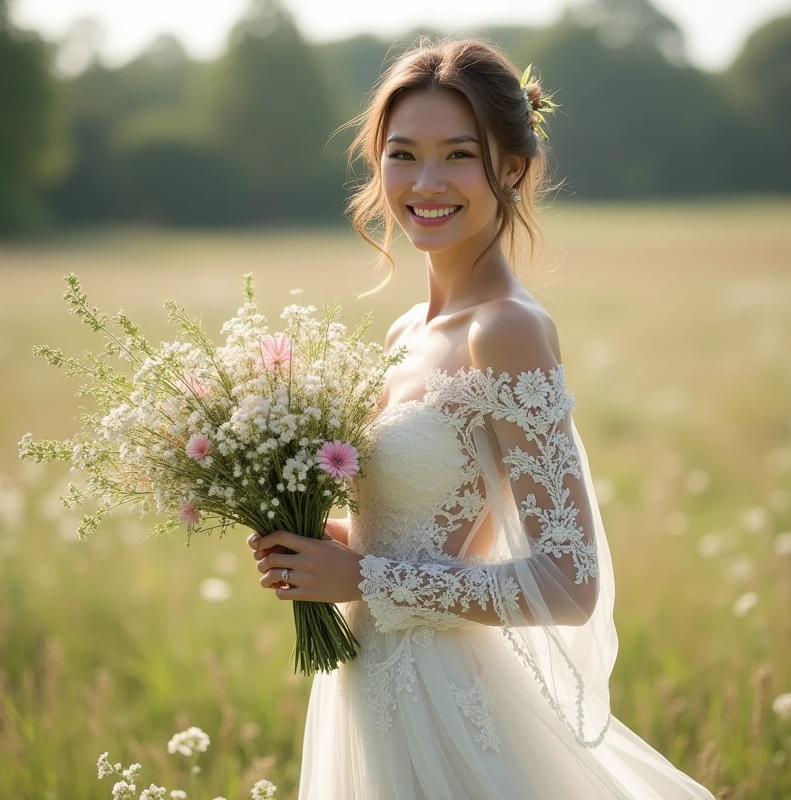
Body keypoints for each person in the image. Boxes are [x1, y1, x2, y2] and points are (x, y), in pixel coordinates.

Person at [246, 37, 715, 799]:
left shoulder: (506, 330)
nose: (426, 183)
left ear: (513, 170)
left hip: (447, 702)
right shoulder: (406, 331)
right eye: (403, 154)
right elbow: (418, 526)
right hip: (365, 685)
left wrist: (362, 576)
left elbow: (569, 585)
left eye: (457, 155)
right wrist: (313, 542)